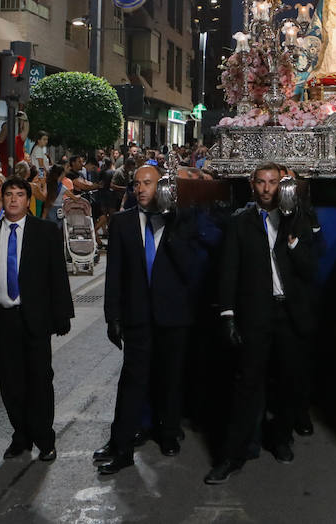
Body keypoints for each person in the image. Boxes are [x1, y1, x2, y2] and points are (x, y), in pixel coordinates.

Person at [205, 164, 319, 485]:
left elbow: (310, 270)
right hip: (255, 314)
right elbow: (228, 270)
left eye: (273, 182)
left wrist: (295, 243)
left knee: (287, 381)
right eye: (261, 182)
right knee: (247, 386)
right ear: (252, 185)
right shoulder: (240, 223)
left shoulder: (297, 219)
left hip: (289, 314)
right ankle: (231, 455)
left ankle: (282, 439)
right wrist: (227, 314)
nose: (267, 188)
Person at [95, 165, 200, 475]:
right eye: (137, 183)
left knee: (170, 379)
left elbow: (188, 268)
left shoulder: (182, 219)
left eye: (148, 183)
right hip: (137, 316)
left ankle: (168, 434)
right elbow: (114, 274)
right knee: (131, 382)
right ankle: (121, 445)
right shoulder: (122, 222)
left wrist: (171, 221)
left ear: (162, 187)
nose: (141, 189)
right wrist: (111, 316)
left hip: (173, 316)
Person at [0, 176, 73, 462]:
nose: (13, 199)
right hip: (2, 320)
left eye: (19, 194)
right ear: (1, 198)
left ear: (28, 200)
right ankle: (20, 436)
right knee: (11, 383)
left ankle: (44, 438)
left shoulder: (45, 232)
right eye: (8, 194)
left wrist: (62, 314)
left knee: (40, 379)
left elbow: (57, 277)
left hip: (35, 318)